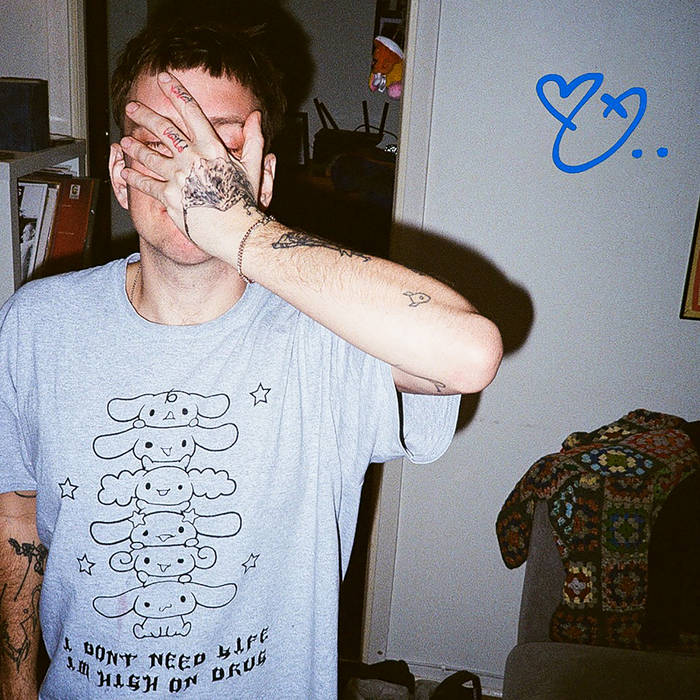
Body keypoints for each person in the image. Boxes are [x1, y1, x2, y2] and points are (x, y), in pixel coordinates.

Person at [0, 6, 502, 699]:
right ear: (120, 171)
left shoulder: (326, 329)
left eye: (220, 151)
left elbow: (470, 354)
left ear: (261, 180)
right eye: (161, 143)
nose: (190, 175)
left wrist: (239, 228)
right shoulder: (36, 323)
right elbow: (16, 511)